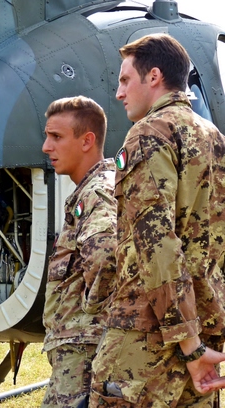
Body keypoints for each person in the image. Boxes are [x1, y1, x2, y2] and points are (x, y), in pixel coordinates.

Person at [90, 33, 225, 407]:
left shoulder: (150, 132)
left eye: (125, 80)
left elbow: (156, 243)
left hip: (151, 339)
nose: (119, 92)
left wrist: (189, 344)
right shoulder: (213, 136)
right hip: (205, 330)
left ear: (153, 76)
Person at [40, 96, 117, 407]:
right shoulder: (91, 189)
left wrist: (91, 308)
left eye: (56, 137)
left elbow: (106, 255)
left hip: (84, 350)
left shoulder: (97, 191)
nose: (46, 147)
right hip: (79, 347)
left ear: (87, 141)